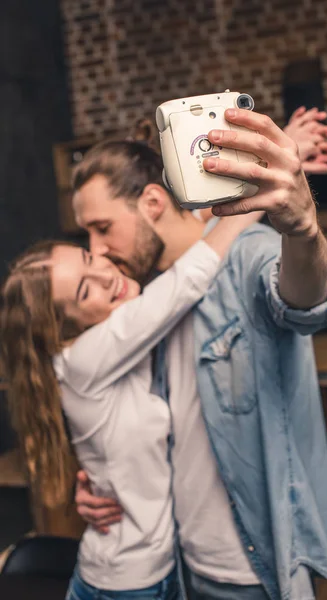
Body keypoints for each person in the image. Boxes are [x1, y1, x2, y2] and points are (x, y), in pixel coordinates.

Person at [72, 108, 327, 600]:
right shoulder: (143, 300)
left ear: (153, 202)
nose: (98, 250)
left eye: (101, 228)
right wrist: (105, 481)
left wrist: (303, 231)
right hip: (176, 566)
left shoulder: (249, 253)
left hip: (251, 571)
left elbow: (309, 301)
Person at [0, 211, 263, 600]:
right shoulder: (86, 359)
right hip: (128, 585)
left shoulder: (112, 342)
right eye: (84, 292)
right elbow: (183, 282)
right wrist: (255, 200)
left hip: (144, 570)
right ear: (64, 330)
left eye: (89, 260)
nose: (106, 276)